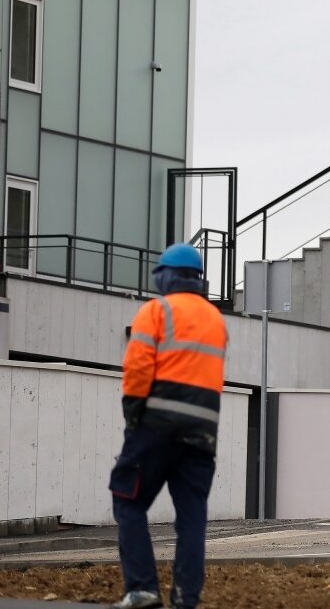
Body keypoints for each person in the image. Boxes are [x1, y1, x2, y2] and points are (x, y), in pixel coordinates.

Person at [110, 244, 228, 609]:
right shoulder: (216, 320)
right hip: (202, 436)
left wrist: (133, 415)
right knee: (191, 519)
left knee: (128, 500)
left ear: (168, 275)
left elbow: (139, 370)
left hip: (156, 429)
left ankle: (143, 588)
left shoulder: (156, 311)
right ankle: (185, 598)